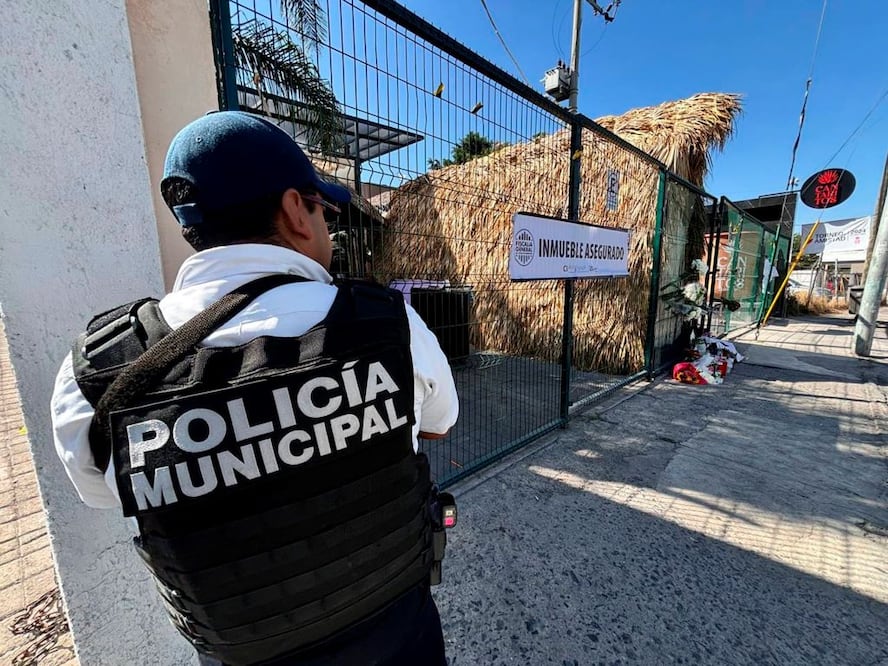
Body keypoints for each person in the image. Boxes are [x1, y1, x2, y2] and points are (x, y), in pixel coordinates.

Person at [50, 111, 459, 666]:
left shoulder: (99, 372)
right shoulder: (391, 324)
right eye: (324, 211)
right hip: (398, 639)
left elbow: (103, 492)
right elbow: (440, 421)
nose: (329, 231)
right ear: (296, 210)